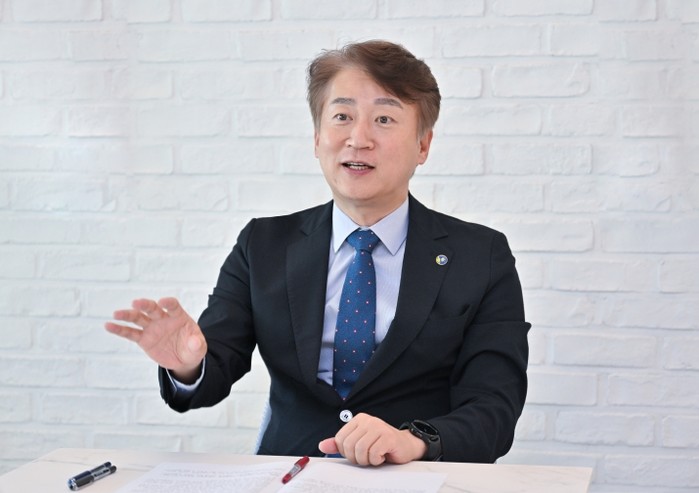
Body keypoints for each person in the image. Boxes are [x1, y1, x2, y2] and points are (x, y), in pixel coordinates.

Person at [106, 39, 530, 466]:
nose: (358, 139)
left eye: (384, 119)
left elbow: (494, 407)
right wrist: (187, 366)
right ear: (317, 138)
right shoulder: (263, 244)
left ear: (423, 145)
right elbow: (213, 369)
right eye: (342, 116)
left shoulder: (480, 256)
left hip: (413, 477)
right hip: (290, 474)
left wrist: (414, 441)